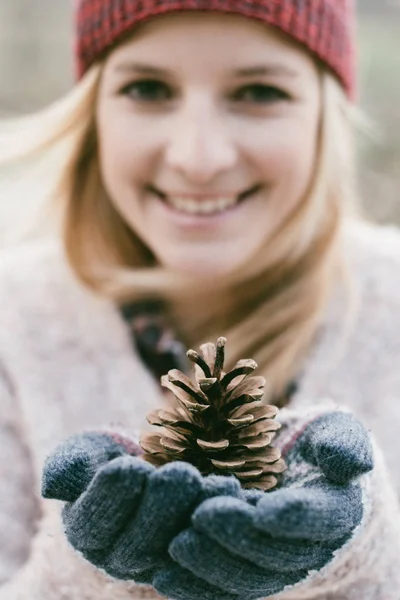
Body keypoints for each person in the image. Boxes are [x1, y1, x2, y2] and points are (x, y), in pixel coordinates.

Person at [0, 1, 399, 599]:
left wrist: (354, 556)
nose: (199, 157)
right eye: (147, 87)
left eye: (260, 92)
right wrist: (92, 561)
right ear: (93, 110)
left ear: (325, 111)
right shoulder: (11, 320)